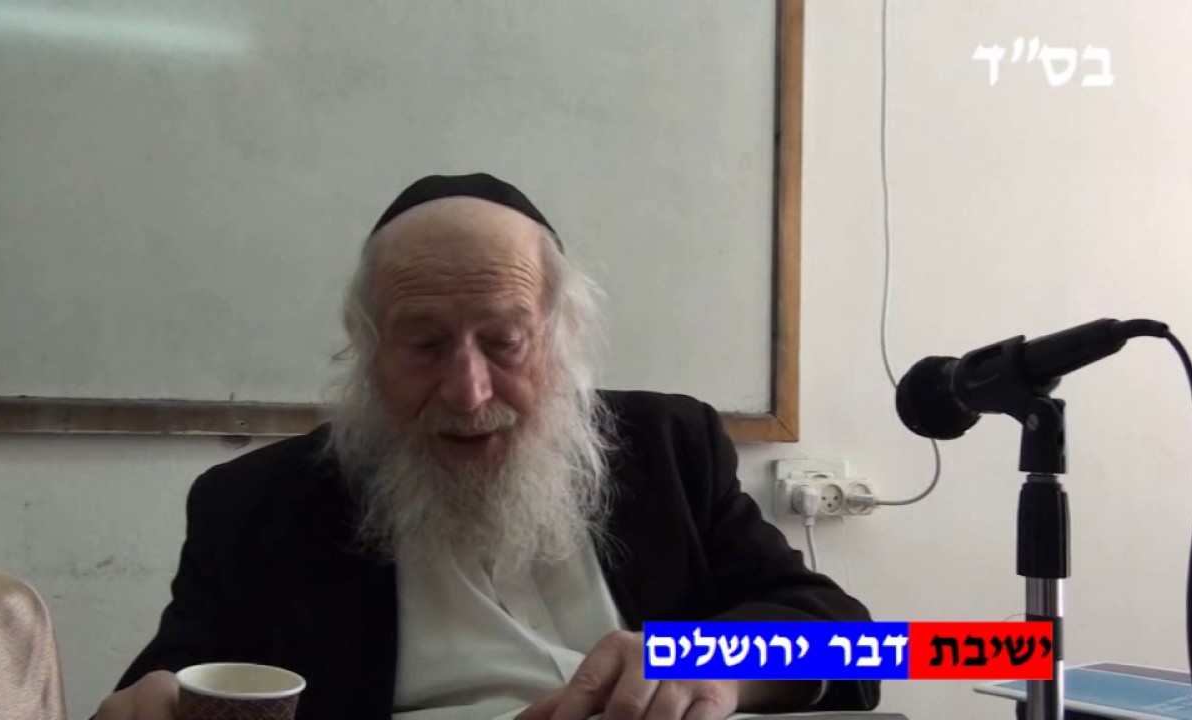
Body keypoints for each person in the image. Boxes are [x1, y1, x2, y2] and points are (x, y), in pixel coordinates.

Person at [94, 173, 880, 720]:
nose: (468, 392)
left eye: (504, 342)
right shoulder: (255, 506)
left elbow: (862, 645)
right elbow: (161, 689)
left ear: (561, 340)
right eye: (424, 345)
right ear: (368, 356)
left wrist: (707, 661)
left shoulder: (670, 448)